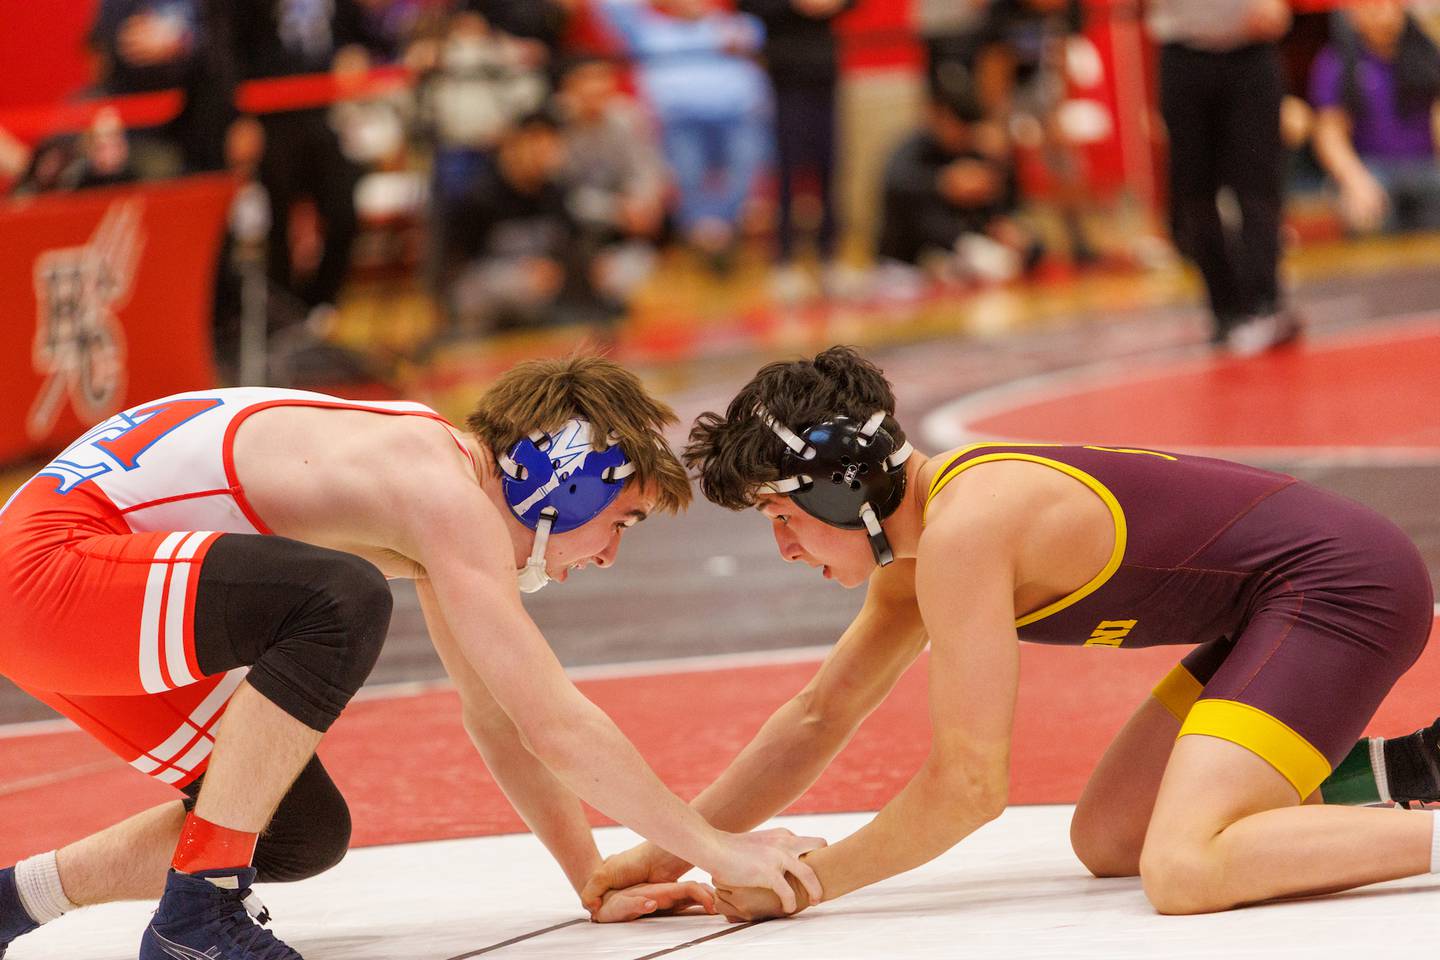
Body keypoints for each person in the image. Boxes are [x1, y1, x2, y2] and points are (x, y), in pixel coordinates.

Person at [0, 356, 823, 959]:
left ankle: (13, 901)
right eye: (621, 522)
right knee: (339, 600)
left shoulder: (433, 486)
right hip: (48, 574)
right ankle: (198, 915)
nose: (608, 555)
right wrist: (720, 849)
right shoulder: (437, 490)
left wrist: (592, 874)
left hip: (71, 601)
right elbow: (555, 723)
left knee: (294, 830)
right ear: (568, 483)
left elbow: (500, 715)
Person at [583, 345, 1440, 920]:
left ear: (845, 491)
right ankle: (1406, 771)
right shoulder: (921, 551)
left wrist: (804, 883)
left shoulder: (966, 531)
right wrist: (668, 854)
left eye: (783, 516)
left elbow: (969, 787)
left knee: (1185, 866)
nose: (784, 547)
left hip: (1341, 589)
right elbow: (818, 717)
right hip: (1277, 604)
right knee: (1112, 837)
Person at [1150, 0, 1300, 355]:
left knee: (1258, 184)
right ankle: (1225, 309)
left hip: (1251, 51)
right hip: (1184, 55)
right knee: (1193, 192)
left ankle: (1266, 304)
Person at [595, 0, 773, 270]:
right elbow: (612, 8)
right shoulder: (651, 31)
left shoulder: (729, 26)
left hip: (737, 118)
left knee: (746, 164)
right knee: (687, 173)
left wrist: (713, 18)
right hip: (680, 122)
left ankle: (723, 232)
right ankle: (704, 237)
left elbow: (757, 32)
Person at [738, 0, 854, 303]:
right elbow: (747, 6)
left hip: (824, 67)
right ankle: (784, 261)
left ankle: (830, 258)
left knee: (830, 165)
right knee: (787, 168)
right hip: (785, 72)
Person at [876, 90, 1040, 287]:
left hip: (974, 262)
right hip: (907, 268)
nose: (960, 134)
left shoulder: (977, 152)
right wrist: (942, 182)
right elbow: (895, 184)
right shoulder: (914, 151)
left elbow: (1005, 210)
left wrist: (1016, 235)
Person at [1309, 0, 1440, 233]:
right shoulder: (1337, 61)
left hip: (1427, 168)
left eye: (1393, 6)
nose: (1385, 15)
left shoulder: (1427, 54)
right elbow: (1330, 134)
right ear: (1354, 14)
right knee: (1361, 213)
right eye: (1374, 7)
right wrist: (1355, 181)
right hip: (1371, 170)